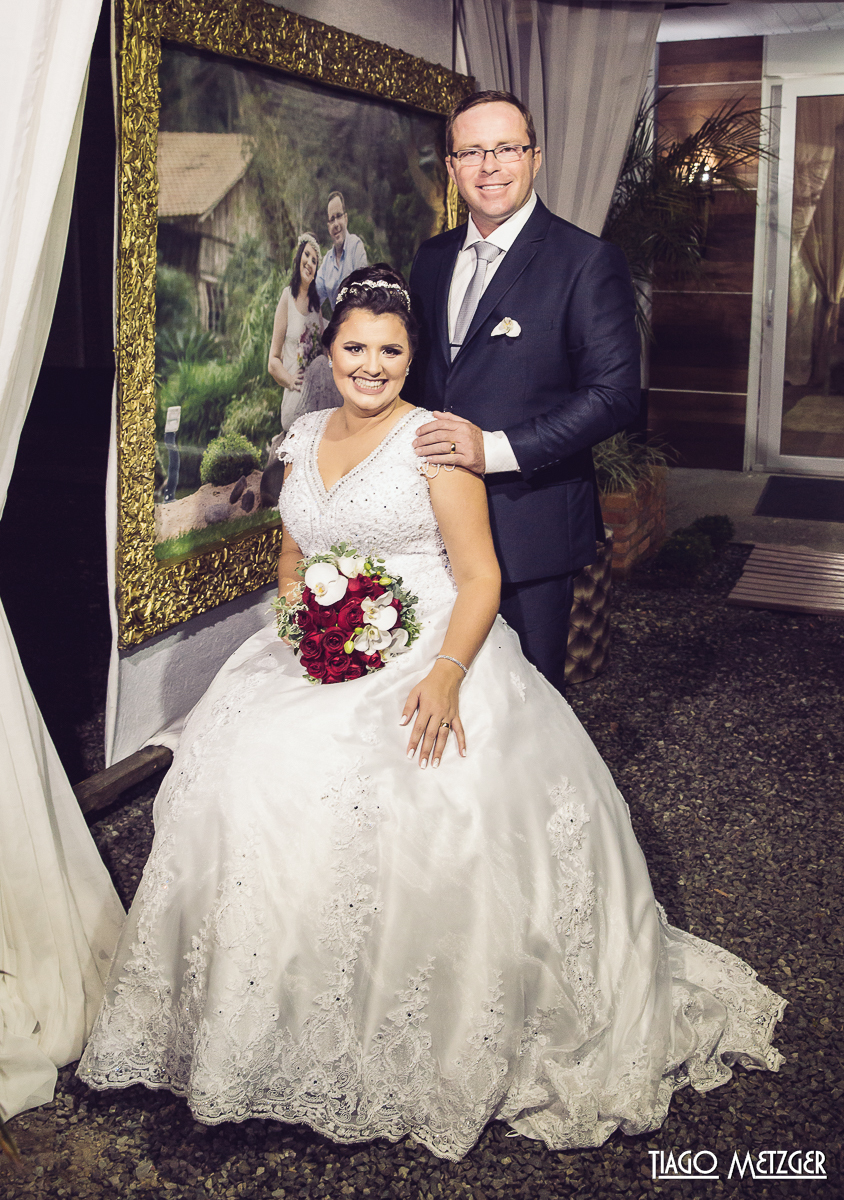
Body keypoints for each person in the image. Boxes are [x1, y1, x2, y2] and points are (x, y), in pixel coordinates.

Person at [78, 266, 783, 1161]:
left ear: (413, 359)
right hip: (318, 642)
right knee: (240, 775)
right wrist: (303, 618)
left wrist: (447, 674)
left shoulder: (436, 447)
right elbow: (293, 554)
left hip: (435, 641)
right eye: (354, 348)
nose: (370, 366)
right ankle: (261, 1018)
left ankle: (400, 1028)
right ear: (326, 351)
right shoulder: (297, 439)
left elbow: (482, 577)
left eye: (390, 351)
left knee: (405, 792)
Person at [409, 91, 641, 696]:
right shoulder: (431, 260)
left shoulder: (585, 260)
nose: (490, 166)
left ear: (534, 158)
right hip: (428, 523)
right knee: (435, 695)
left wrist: (495, 449)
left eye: (506, 148)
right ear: (452, 166)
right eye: (472, 151)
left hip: (529, 521)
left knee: (523, 705)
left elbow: (616, 395)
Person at [268, 233, 324, 432]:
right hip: (296, 396)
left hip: (318, 398)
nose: (309, 263)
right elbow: (273, 361)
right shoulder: (286, 297)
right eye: (307, 255)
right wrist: (291, 381)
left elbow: (325, 353)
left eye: (315, 261)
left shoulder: (317, 307)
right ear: (299, 257)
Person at [315, 190, 369, 310]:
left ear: (345, 218)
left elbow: (362, 292)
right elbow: (314, 298)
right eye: (332, 219)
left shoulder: (356, 246)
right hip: (339, 325)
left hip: (356, 320)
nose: (336, 224)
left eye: (339, 216)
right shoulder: (327, 262)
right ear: (328, 226)